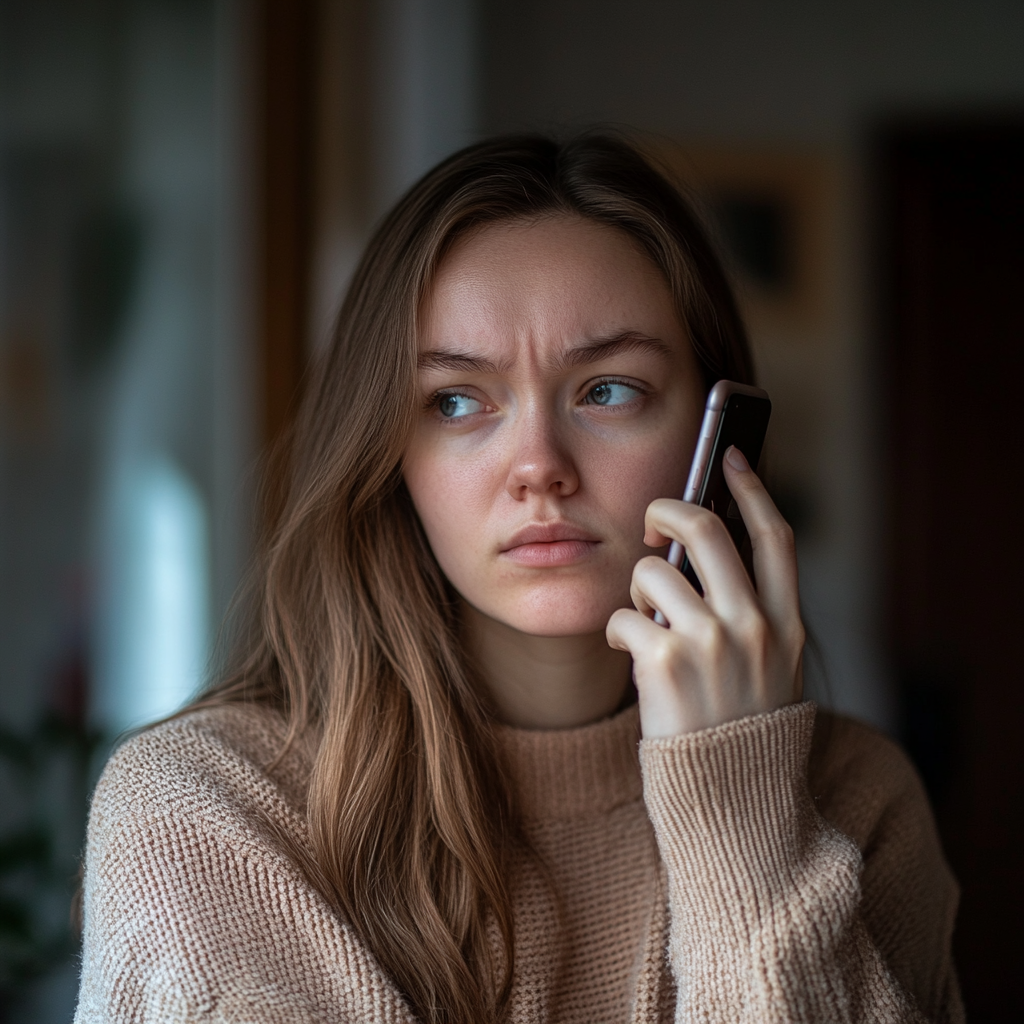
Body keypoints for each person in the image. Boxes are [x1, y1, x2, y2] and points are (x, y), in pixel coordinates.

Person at [75, 134, 962, 1024]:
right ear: (388, 456)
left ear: (716, 441)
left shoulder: (854, 800)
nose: (538, 466)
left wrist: (739, 808)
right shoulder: (208, 811)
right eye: (457, 401)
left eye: (609, 389)